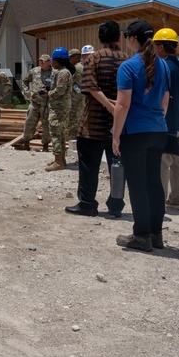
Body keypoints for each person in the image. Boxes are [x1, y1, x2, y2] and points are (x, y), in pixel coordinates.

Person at [113, 19, 170, 252]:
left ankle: (142, 235)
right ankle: (156, 234)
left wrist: (116, 135)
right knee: (154, 183)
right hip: (158, 129)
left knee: (137, 185)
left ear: (132, 39)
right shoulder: (164, 65)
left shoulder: (128, 66)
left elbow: (122, 104)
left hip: (135, 132)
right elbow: (165, 100)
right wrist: (157, 120)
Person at [65, 21, 129, 217]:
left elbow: (90, 87)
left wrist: (109, 106)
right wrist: (117, 109)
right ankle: (116, 204)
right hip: (120, 123)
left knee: (88, 166)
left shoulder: (93, 59)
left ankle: (87, 204)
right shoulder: (127, 60)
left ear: (100, 39)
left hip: (92, 124)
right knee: (117, 166)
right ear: (118, 37)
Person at [154, 28, 179, 211]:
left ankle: (158, 200)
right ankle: (177, 199)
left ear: (160, 47)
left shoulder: (161, 67)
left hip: (164, 123)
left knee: (162, 162)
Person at [44, 47, 74, 172]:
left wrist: (48, 94)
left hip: (59, 108)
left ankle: (58, 161)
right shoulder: (61, 71)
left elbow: (60, 91)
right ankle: (61, 159)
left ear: (59, 60)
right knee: (60, 133)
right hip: (59, 107)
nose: (51, 62)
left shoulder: (63, 73)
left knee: (56, 133)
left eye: (53, 60)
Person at [15, 55, 52, 151]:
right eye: (40, 61)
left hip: (47, 103)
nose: (41, 63)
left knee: (46, 125)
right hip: (35, 102)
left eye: (44, 61)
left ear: (49, 62)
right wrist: (28, 94)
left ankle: (45, 146)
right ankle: (26, 143)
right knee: (29, 123)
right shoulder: (34, 71)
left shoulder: (54, 73)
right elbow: (25, 82)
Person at [67, 48, 85, 147]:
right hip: (80, 97)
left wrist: (77, 91)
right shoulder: (82, 66)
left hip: (76, 99)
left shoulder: (77, 68)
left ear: (76, 57)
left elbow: (72, 83)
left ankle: (72, 140)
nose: (70, 60)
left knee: (74, 119)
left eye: (71, 57)